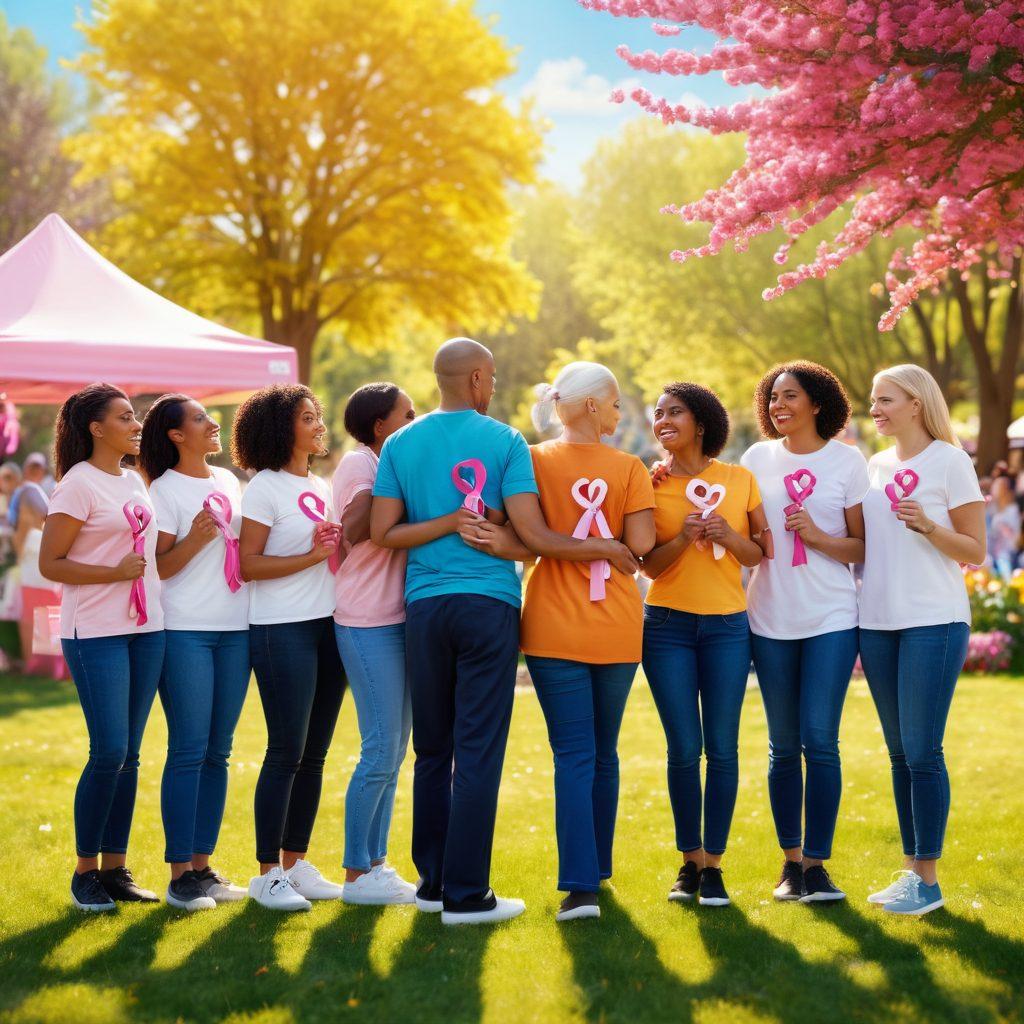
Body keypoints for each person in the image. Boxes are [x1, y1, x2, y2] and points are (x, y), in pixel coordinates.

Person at [371, 338, 637, 926]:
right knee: (479, 750)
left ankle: (434, 885)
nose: (492, 387)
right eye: (489, 377)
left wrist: (441, 522)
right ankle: (468, 896)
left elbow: (385, 532)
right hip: (487, 606)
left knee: (432, 749)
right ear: (476, 381)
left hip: (424, 608)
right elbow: (536, 537)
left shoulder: (400, 443)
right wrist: (602, 547)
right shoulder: (505, 441)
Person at [467, 362, 655, 921]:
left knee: (573, 753)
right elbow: (641, 544)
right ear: (593, 407)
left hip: (550, 623)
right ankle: (595, 868)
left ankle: (582, 888)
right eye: (618, 404)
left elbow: (521, 537)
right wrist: (614, 531)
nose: (621, 415)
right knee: (603, 752)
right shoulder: (630, 468)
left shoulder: (527, 457)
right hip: (618, 625)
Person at [858, 365, 986, 916]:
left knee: (923, 750)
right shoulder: (877, 465)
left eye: (885, 400)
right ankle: (911, 872)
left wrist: (929, 525)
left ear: (916, 403)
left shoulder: (951, 462)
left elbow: (975, 550)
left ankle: (929, 883)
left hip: (934, 620)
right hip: (879, 622)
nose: (876, 409)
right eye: (873, 401)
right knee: (898, 753)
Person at [740, 361, 868, 904]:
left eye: (789, 396)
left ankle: (818, 865)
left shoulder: (848, 462)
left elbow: (861, 549)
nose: (777, 405)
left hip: (831, 618)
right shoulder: (755, 459)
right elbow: (740, 525)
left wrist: (814, 535)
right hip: (768, 618)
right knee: (781, 746)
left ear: (817, 403)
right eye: (772, 397)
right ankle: (790, 864)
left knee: (821, 740)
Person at [38, 383, 165, 912]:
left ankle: (116, 869)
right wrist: (112, 574)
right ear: (95, 427)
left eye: (134, 416)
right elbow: (51, 564)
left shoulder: (134, 481)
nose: (136, 424)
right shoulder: (77, 486)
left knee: (130, 756)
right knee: (109, 749)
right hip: (95, 632)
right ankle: (85, 871)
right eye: (125, 417)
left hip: (146, 628)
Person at [641, 383, 768, 908]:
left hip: (726, 629)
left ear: (701, 422)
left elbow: (760, 552)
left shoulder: (739, 480)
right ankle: (688, 861)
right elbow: (647, 563)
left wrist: (724, 534)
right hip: (666, 627)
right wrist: (682, 537)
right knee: (683, 748)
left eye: (675, 411)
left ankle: (713, 865)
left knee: (722, 747)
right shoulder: (649, 482)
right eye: (658, 413)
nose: (663, 419)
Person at [235, 384, 346, 911]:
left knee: (315, 754)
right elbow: (248, 564)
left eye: (317, 415)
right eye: (308, 417)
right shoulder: (263, 489)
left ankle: (295, 864)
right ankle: (265, 875)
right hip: (281, 629)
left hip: (327, 626)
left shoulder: (320, 483)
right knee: (286, 750)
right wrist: (310, 555)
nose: (319, 425)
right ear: (283, 428)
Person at [142, 394, 251, 912]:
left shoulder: (228, 481)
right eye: (201, 420)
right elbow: (158, 567)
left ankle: (204, 868)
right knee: (189, 749)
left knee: (219, 751)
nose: (214, 424)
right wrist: (196, 539)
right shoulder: (162, 490)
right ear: (176, 436)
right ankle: (179, 874)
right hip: (185, 629)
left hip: (235, 628)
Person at [332, 383, 418, 905]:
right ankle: (356, 873)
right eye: (406, 415)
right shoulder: (358, 464)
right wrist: (395, 472)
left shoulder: (389, 461)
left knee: (395, 751)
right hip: (366, 622)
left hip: (398, 620)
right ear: (380, 425)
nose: (416, 421)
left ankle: (376, 864)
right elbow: (356, 528)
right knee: (380, 749)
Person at [988, 474, 1020, 579]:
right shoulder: (991, 509)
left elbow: (1012, 538)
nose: (994, 489)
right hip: (992, 555)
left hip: (1007, 555)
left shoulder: (1013, 510)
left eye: (998, 486)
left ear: (1004, 490)